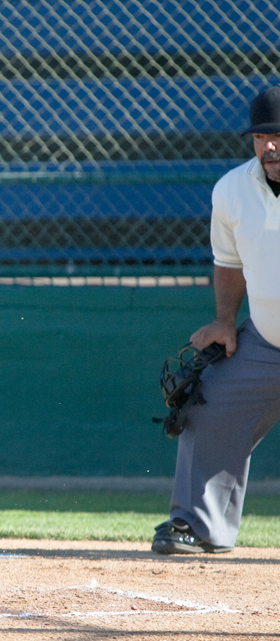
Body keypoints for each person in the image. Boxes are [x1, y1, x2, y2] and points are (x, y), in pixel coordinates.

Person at [152, 84, 280, 555]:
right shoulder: (232, 190)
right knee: (208, 404)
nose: (271, 145)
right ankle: (197, 526)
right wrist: (225, 320)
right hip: (269, 341)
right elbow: (228, 262)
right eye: (263, 135)